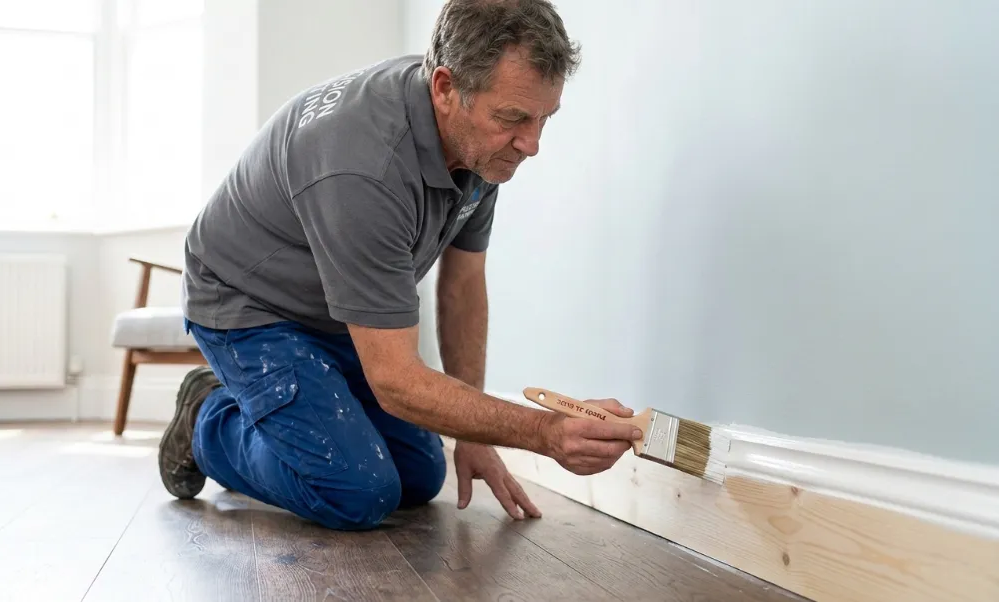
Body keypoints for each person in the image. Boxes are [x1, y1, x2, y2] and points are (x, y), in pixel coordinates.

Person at [159, 0, 641, 531]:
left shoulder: (478, 141)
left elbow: (462, 285)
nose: (531, 144)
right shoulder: (362, 169)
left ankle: (285, 407)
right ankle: (208, 416)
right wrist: (543, 433)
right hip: (250, 305)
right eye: (513, 120)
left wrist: (476, 435)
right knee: (358, 492)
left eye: (543, 118)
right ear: (444, 88)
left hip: (336, 307)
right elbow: (394, 380)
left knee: (417, 478)